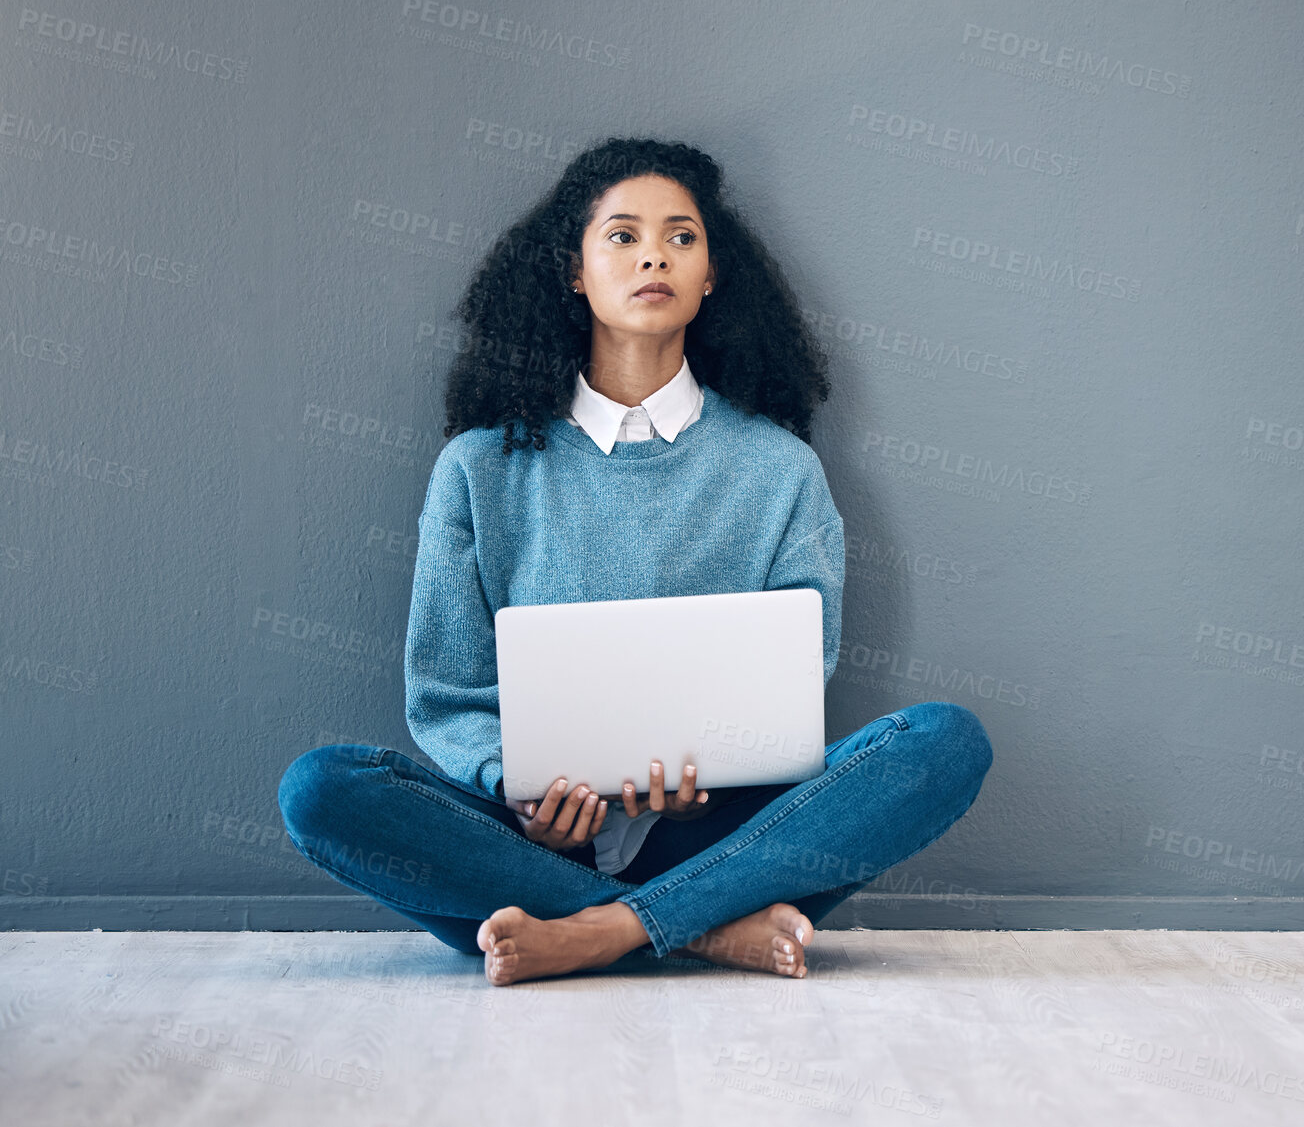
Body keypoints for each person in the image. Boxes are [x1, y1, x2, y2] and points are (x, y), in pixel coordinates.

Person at [277, 137, 993, 987]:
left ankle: (597, 930)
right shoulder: (478, 467)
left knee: (943, 743)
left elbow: (795, 674)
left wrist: (723, 773)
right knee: (322, 789)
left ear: (711, 276)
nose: (654, 252)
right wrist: (523, 789)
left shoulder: (778, 469)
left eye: (681, 237)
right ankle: (701, 928)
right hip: (530, 837)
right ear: (574, 272)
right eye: (622, 235)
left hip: (723, 831)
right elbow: (446, 689)